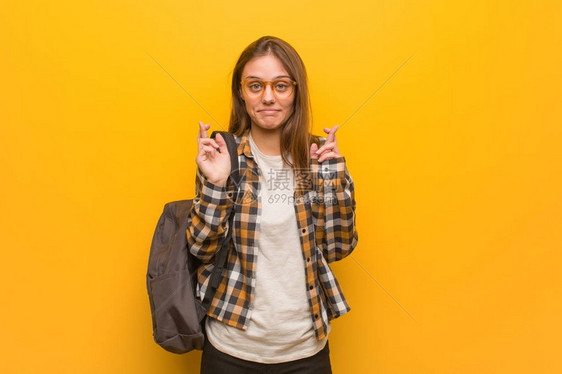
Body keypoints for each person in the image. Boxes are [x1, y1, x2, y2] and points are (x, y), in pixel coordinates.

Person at [187, 35, 358, 374]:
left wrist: (333, 178)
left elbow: (338, 247)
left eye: (281, 85)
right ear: (241, 92)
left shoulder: (314, 157)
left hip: (305, 349)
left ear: (296, 92)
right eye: (255, 86)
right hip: (231, 349)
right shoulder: (225, 157)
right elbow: (200, 248)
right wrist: (217, 184)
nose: (268, 97)